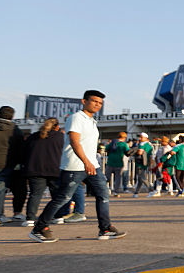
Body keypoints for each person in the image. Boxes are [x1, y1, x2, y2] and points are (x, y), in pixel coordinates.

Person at [29, 90, 125, 242]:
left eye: (100, 103)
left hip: (93, 166)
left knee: (103, 195)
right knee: (63, 197)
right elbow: (75, 141)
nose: (97, 105)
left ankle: (105, 228)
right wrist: (86, 162)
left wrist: (91, 163)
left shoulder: (92, 121)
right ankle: (39, 228)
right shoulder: (76, 118)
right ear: (84, 101)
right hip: (75, 166)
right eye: (94, 101)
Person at [22, 118, 64, 226]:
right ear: (57, 127)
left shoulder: (33, 136)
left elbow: (25, 152)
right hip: (55, 169)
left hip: (35, 169)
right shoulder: (60, 137)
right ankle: (58, 216)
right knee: (57, 195)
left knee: (35, 195)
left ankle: (30, 218)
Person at [106, 132, 130, 197]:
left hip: (110, 162)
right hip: (119, 163)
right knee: (117, 179)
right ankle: (116, 192)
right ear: (124, 137)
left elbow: (106, 149)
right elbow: (128, 152)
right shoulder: (124, 144)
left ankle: (104, 190)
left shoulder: (112, 142)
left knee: (106, 178)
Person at [130, 132, 154, 197]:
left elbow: (140, 152)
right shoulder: (146, 144)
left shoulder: (144, 145)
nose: (140, 138)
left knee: (143, 178)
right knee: (140, 179)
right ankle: (136, 192)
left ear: (146, 138)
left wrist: (134, 151)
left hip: (141, 163)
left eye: (141, 137)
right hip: (142, 163)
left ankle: (151, 190)